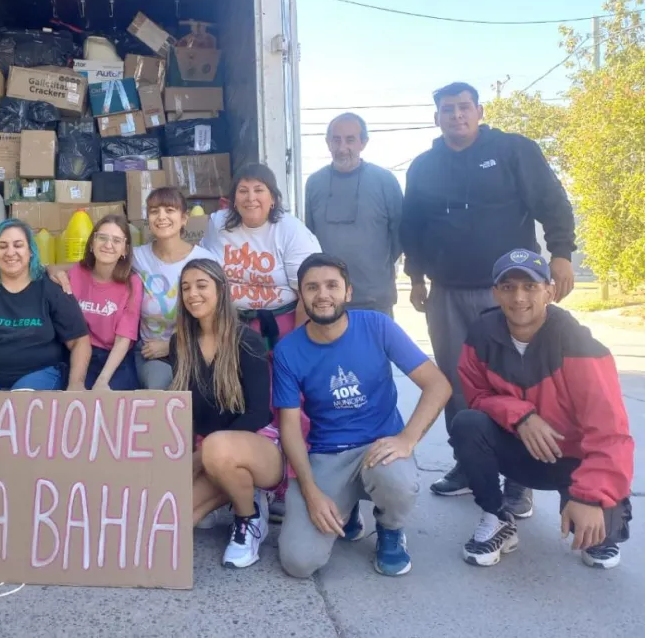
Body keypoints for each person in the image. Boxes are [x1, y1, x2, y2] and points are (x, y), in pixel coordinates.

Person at [400, 81, 576, 506]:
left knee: (516, 381)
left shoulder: (514, 150)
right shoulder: (423, 167)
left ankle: (521, 477)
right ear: (436, 117)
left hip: (511, 292)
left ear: (479, 111)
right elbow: (413, 228)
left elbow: (552, 202)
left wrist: (562, 254)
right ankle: (468, 461)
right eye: (447, 109)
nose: (456, 115)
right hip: (447, 292)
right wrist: (418, 278)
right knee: (457, 380)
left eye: (464, 107)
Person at [452, 249, 633, 569]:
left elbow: (611, 432)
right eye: (507, 287)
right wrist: (520, 415)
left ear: (550, 291)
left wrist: (590, 496)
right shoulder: (482, 334)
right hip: (520, 453)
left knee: (598, 538)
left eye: (530, 286)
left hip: (574, 461)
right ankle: (498, 517)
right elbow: (477, 396)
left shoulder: (578, 344)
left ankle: (589, 506)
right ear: (495, 293)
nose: (518, 297)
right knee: (467, 423)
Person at [274, 254, 452, 578]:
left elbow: (437, 384)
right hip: (328, 454)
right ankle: (347, 509)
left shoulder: (377, 326)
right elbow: (289, 429)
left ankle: (390, 528)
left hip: (378, 446)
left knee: (396, 480)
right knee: (298, 562)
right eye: (312, 287)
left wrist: (406, 439)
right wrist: (311, 493)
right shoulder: (288, 350)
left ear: (348, 292)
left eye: (332, 285)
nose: (322, 294)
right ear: (301, 295)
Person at [169, 259, 283, 568]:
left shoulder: (247, 340)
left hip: (258, 446)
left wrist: (197, 458)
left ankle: (249, 518)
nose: (193, 294)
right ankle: (236, 491)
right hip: (211, 453)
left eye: (202, 285)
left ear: (221, 289)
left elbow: (260, 413)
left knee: (218, 447)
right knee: (175, 516)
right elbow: (184, 409)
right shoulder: (180, 344)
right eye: (186, 287)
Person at [0, 219, 91, 391]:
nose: (10, 252)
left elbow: (79, 340)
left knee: (22, 403)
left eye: (18, 245)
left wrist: (76, 384)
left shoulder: (52, 290)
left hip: (38, 375)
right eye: (2, 246)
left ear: (31, 251)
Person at [202, 163, 321, 347]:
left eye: (259, 190)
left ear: (272, 198)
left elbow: (309, 292)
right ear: (233, 199)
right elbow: (202, 273)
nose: (251, 198)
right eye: (243, 191)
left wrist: (296, 344)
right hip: (228, 324)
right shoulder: (217, 224)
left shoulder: (291, 231)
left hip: (282, 325)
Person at [304, 113, 403, 316]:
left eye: (350, 140)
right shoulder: (314, 183)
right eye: (336, 140)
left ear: (363, 143)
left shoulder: (385, 181)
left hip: (375, 301)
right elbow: (310, 238)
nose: (342, 148)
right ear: (327, 143)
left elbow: (399, 239)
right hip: (327, 301)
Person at [131, 187, 218, 389]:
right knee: (159, 392)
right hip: (152, 354)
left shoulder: (204, 260)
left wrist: (172, 346)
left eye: (170, 210)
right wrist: (56, 272)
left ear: (184, 218)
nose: (161, 217)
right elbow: (92, 265)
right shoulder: (137, 257)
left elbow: (217, 319)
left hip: (197, 349)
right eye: (154, 211)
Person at [67, 214, 143, 391]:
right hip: (79, 353)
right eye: (102, 238)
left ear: (125, 249)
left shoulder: (132, 283)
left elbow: (124, 339)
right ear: (92, 243)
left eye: (117, 240)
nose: (108, 245)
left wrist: (103, 380)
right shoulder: (77, 272)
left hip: (114, 356)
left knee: (111, 402)